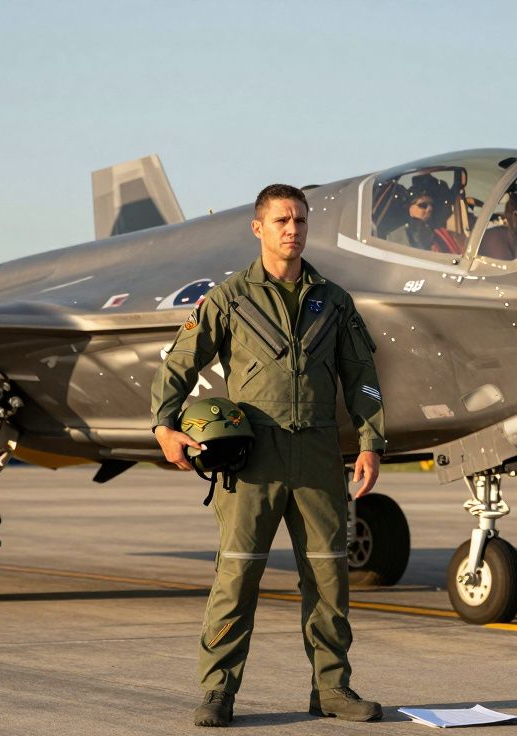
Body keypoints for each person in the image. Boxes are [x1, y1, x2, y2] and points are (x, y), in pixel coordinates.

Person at [151, 183, 387, 727]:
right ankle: (217, 693)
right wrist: (165, 428)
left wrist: (371, 443)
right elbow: (178, 362)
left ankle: (332, 689)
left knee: (329, 579)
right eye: (282, 220)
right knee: (236, 578)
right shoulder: (231, 298)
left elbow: (363, 379)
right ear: (258, 228)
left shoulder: (333, 300)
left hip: (318, 458)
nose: (293, 230)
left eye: (300, 221)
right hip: (253, 462)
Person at [385, 177, 464, 254]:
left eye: (432, 205)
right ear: (409, 208)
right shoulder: (394, 237)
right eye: (423, 205)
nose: (429, 209)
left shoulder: (443, 235)